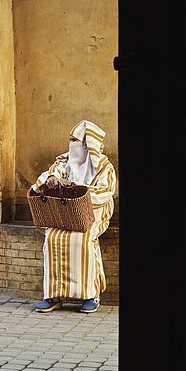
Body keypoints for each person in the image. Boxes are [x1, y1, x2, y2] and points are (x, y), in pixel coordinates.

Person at [30, 119, 116, 314]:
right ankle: (52, 295)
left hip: (94, 213)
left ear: (88, 146)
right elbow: (46, 177)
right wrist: (52, 180)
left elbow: (105, 192)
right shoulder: (63, 161)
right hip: (63, 214)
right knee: (52, 237)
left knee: (82, 240)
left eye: (77, 141)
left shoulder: (104, 167)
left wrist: (76, 190)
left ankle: (90, 295)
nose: (72, 145)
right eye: (71, 140)